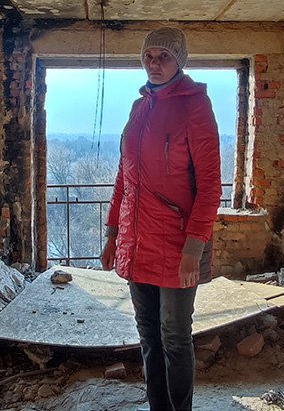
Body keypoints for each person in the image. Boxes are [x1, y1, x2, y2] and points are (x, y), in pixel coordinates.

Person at [101, 27, 222, 411]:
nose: (154, 64)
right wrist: (112, 234)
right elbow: (124, 177)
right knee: (148, 336)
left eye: (164, 56)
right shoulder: (139, 107)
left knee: (174, 337)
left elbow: (210, 187)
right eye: (148, 57)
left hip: (176, 243)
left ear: (179, 61)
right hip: (137, 243)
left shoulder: (195, 106)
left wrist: (194, 249)